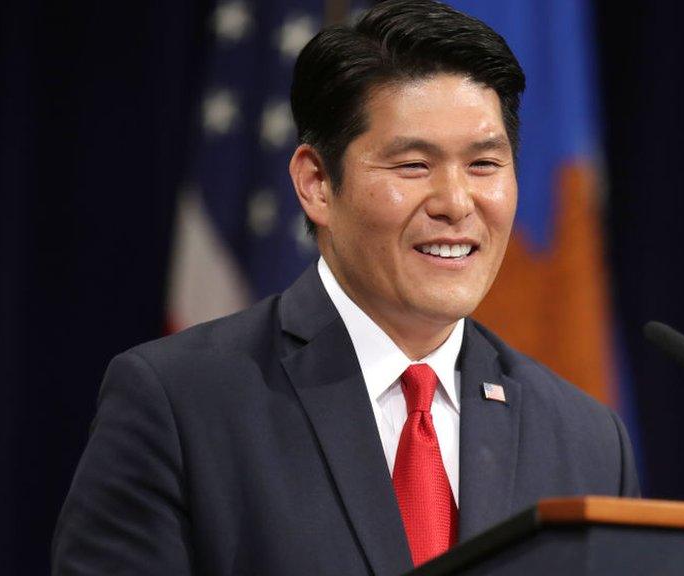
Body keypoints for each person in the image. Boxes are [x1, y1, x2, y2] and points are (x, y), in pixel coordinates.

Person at [51, 1, 639, 574]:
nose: (457, 204)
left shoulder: (585, 439)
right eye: (413, 165)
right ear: (316, 183)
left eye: (484, 165)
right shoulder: (178, 404)